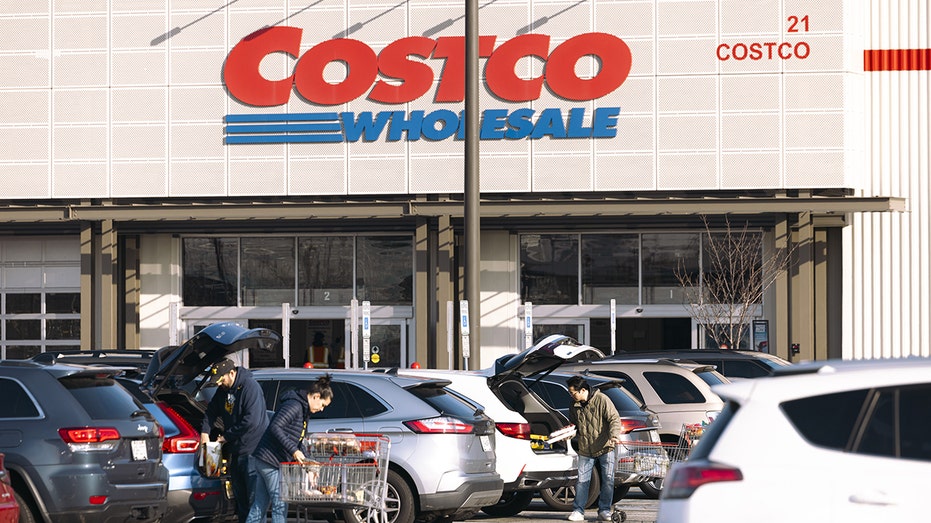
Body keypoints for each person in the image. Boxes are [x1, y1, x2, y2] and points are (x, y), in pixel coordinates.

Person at [246, 375, 334, 523]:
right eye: (323, 405)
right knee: (280, 504)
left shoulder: (304, 411)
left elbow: (297, 441)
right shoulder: (294, 406)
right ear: (316, 396)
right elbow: (275, 427)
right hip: (270, 460)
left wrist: (308, 463)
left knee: (260, 505)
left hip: (265, 459)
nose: (321, 409)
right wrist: (293, 451)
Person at [201, 358, 268, 523]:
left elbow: (251, 421)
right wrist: (204, 433)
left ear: (232, 373)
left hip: (254, 451)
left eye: (222, 379)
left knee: (254, 501)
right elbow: (211, 412)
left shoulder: (250, 387)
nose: (219, 383)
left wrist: (225, 437)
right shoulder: (224, 391)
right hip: (236, 452)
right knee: (241, 501)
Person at [566, 375, 622, 522]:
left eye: (573, 392)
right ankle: (578, 511)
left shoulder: (602, 400)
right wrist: (569, 433)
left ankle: (604, 510)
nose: (571, 395)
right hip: (585, 448)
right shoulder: (573, 405)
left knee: (608, 480)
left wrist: (614, 435)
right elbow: (573, 424)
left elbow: (614, 419)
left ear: (583, 390)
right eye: (570, 393)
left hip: (605, 446)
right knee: (582, 481)